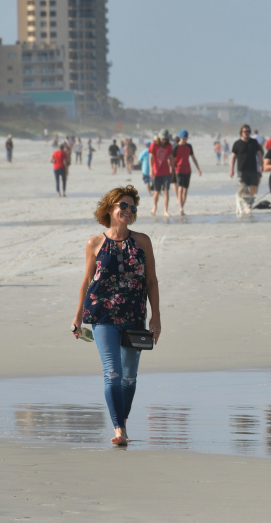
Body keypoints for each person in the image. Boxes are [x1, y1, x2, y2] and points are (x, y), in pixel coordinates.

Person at [71, 185, 161, 446]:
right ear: (110, 208)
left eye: (133, 207)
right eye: (124, 205)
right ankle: (119, 429)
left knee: (129, 377)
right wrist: (77, 317)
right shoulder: (95, 243)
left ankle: (122, 421)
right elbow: (87, 281)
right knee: (112, 373)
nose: (129, 211)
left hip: (134, 317)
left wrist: (156, 318)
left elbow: (152, 282)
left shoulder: (142, 241)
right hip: (102, 316)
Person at [173, 130, 202, 216]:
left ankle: (182, 207)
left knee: (185, 191)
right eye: (183, 138)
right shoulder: (176, 148)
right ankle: (181, 208)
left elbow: (193, 158)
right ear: (180, 138)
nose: (184, 140)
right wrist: (171, 170)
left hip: (187, 171)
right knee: (180, 188)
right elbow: (171, 159)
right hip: (178, 170)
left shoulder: (189, 146)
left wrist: (198, 168)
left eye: (186, 138)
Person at [230, 124, 263, 199]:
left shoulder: (254, 142)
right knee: (243, 188)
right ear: (241, 132)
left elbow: (259, 153)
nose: (246, 133)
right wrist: (231, 170)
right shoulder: (237, 143)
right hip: (241, 170)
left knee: (253, 188)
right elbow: (233, 157)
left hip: (253, 169)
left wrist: (261, 165)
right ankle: (245, 203)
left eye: (248, 131)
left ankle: (250, 202)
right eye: (245, 131)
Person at [148, 130, 175, 217]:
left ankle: (165, 211)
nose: (164, 140)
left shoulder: (169, 145)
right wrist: (151, 170)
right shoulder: (154, 144)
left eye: (166, 138)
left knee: (166, 191)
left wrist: (172, 169)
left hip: (166, 172)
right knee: (156, 192)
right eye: (163, 138)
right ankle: (155, 207)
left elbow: (171, 158)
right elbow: (151, 157)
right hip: (156, 172)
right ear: (159, 137)